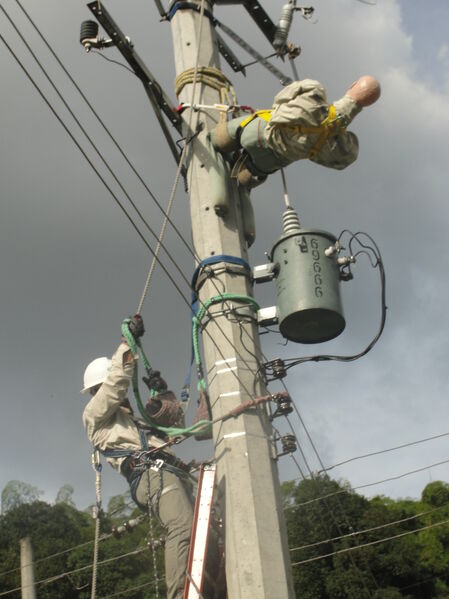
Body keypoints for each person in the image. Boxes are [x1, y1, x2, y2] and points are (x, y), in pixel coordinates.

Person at [81, 315, 193, 599]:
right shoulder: (95, 416)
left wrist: (161, 396)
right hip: (151, 475)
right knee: (182, 524)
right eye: (101, 390)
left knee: (213, 524)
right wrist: (126, 345)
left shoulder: (135, 420)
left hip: (173, 472)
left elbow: (176, 427)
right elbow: (117, 383)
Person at [211, 75, 381, 187]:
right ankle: (242, 177)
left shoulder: (314, 90)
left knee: (216, 139)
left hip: (257, 132)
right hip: (272, 160)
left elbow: (279, 100)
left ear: (352, 85)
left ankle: (211, 141)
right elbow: (336, 163)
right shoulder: (346, 148)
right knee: (243, 180)